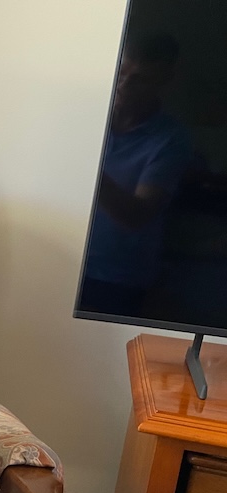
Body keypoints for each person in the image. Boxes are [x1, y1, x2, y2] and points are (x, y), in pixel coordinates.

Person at [80, 32, 191, 316]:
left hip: (116, 280)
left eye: (139, 78)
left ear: (163, 81)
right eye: (121, 71)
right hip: (63, 259)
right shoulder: (88, 116)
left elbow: (137, 216)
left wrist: (85, 160)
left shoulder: (171, 140)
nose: (123, 84)